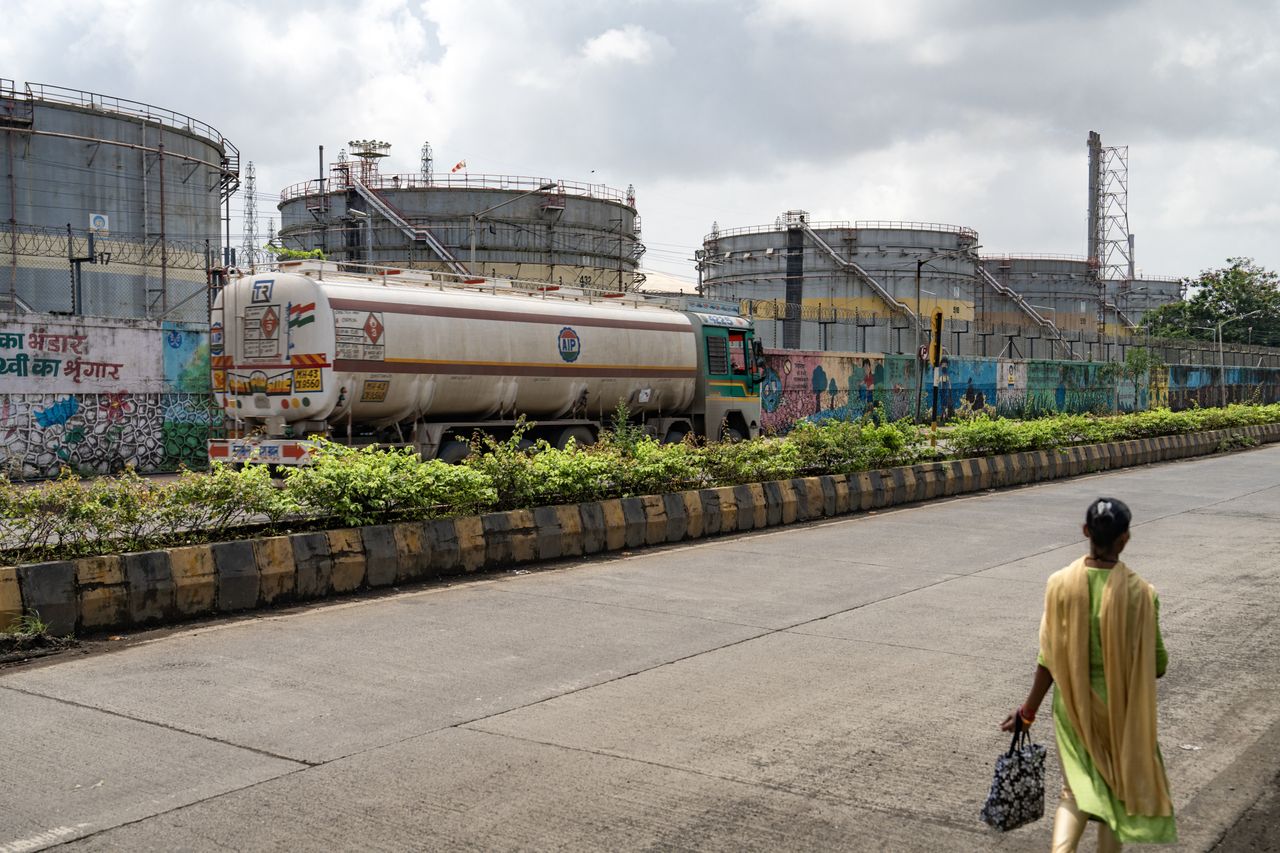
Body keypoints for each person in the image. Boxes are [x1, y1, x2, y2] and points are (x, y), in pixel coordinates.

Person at [1001, 497, 1176, 851]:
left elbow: (1047, 658)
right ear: (1125, 537)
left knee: (1073, 792)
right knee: (1114, 794)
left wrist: (1028, 712)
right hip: (1121, 713)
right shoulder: (1142, 594)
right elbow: (1157, 666)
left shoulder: (1060, 585)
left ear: (1085, 532)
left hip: (1073, 710)